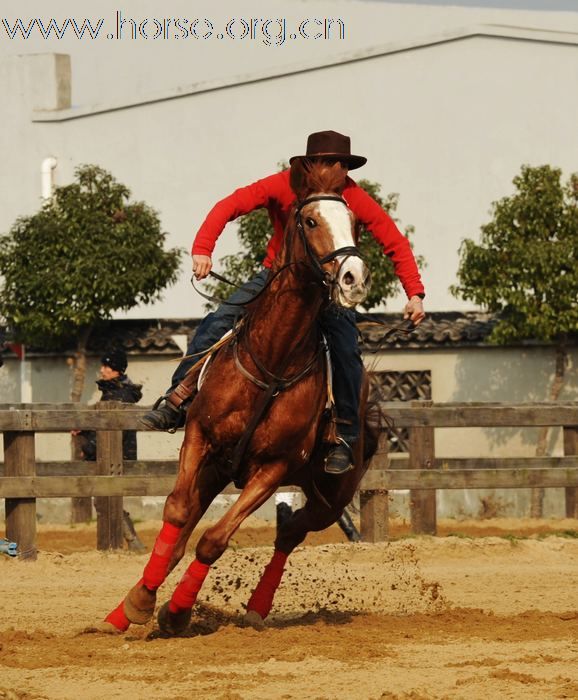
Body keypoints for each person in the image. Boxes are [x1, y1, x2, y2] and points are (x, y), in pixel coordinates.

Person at [141, 130, 426, 474]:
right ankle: (178, 398)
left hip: (326, 288)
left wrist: (414, 293)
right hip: (275, 278)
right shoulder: (281, 185)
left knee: (347, 350)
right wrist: (203, 249)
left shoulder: (353, 196)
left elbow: (393, 241)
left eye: (342, 163)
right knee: (219, 319)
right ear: (311, 165)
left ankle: (345, 436)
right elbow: (229, 205)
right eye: (330, 162)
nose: (337, 169)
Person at [76, 348, 146, 551]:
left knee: (105, 499)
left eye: (107, 366)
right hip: (116, 453)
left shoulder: (117, 395)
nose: (102, 370)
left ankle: (128, 542)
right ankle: (126, 542)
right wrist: (85, 430)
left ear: (117, 370)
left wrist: (89, 448)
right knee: (106, 499)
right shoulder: (116, 392)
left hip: (115, 455)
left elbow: (110, 431)